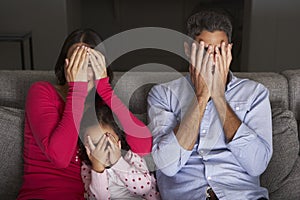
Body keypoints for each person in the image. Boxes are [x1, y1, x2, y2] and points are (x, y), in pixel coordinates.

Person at [147, 9, 272, 200]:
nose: (212, 59)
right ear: (188, 50)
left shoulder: (255, 94)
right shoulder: (163, 95)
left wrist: (219, 98)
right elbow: (167, 165)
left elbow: (256, 165)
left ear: (229, 50)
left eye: (220, 50)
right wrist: (201, 97)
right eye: (204, 50)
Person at [18, 28, 152, 199]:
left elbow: (144, 146)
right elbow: (59, 157)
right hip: (45, 194)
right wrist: (77, 90)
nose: (82, 70)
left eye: (89, 63)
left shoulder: (102, 106)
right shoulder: (42, 92)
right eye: (77, 61)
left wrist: (105, 88)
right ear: (65, 64)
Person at [79, 104, 160, 200]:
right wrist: (98, 168)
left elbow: (144, 188)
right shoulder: (88, 168)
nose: (103, 150)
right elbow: (99, 198)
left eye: (108, 141)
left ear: (118, 137)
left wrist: (117, 162)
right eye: (95, 144)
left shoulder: (130, 157)